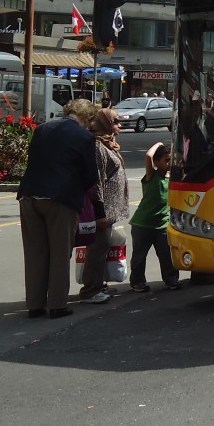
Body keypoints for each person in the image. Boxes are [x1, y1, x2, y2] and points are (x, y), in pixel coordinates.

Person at [17, 93, 103, 319]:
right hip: (61, 198)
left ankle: (34, 305)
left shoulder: (42, 129)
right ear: (86, 117)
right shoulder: (84, 138)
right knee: (60, 253)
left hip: (29, 196)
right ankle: (57, 304)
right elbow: (90, 176)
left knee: (35, 253)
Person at [78, 108, 129, 304]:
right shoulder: (97, 146)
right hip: (103, 208)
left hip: (110, 208)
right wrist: (99, 212)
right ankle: (90, 289)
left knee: (104, 246)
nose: (119, 125)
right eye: (115, 121)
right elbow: (97, 180)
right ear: (104, 123)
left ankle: (100, 284)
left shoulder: (108, 144)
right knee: (98, 247)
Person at [129, 142, 180, 292]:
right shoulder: (152, 175)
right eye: (166, 160)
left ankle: (171, 280)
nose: (169, 163)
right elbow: (148, 155)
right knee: (139, 256)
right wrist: (158, 144)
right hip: (143, 224)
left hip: (162, 225)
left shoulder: (173, 177)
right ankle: (137, 282)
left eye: (170, 159)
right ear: (156, 162)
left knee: (166, 255)